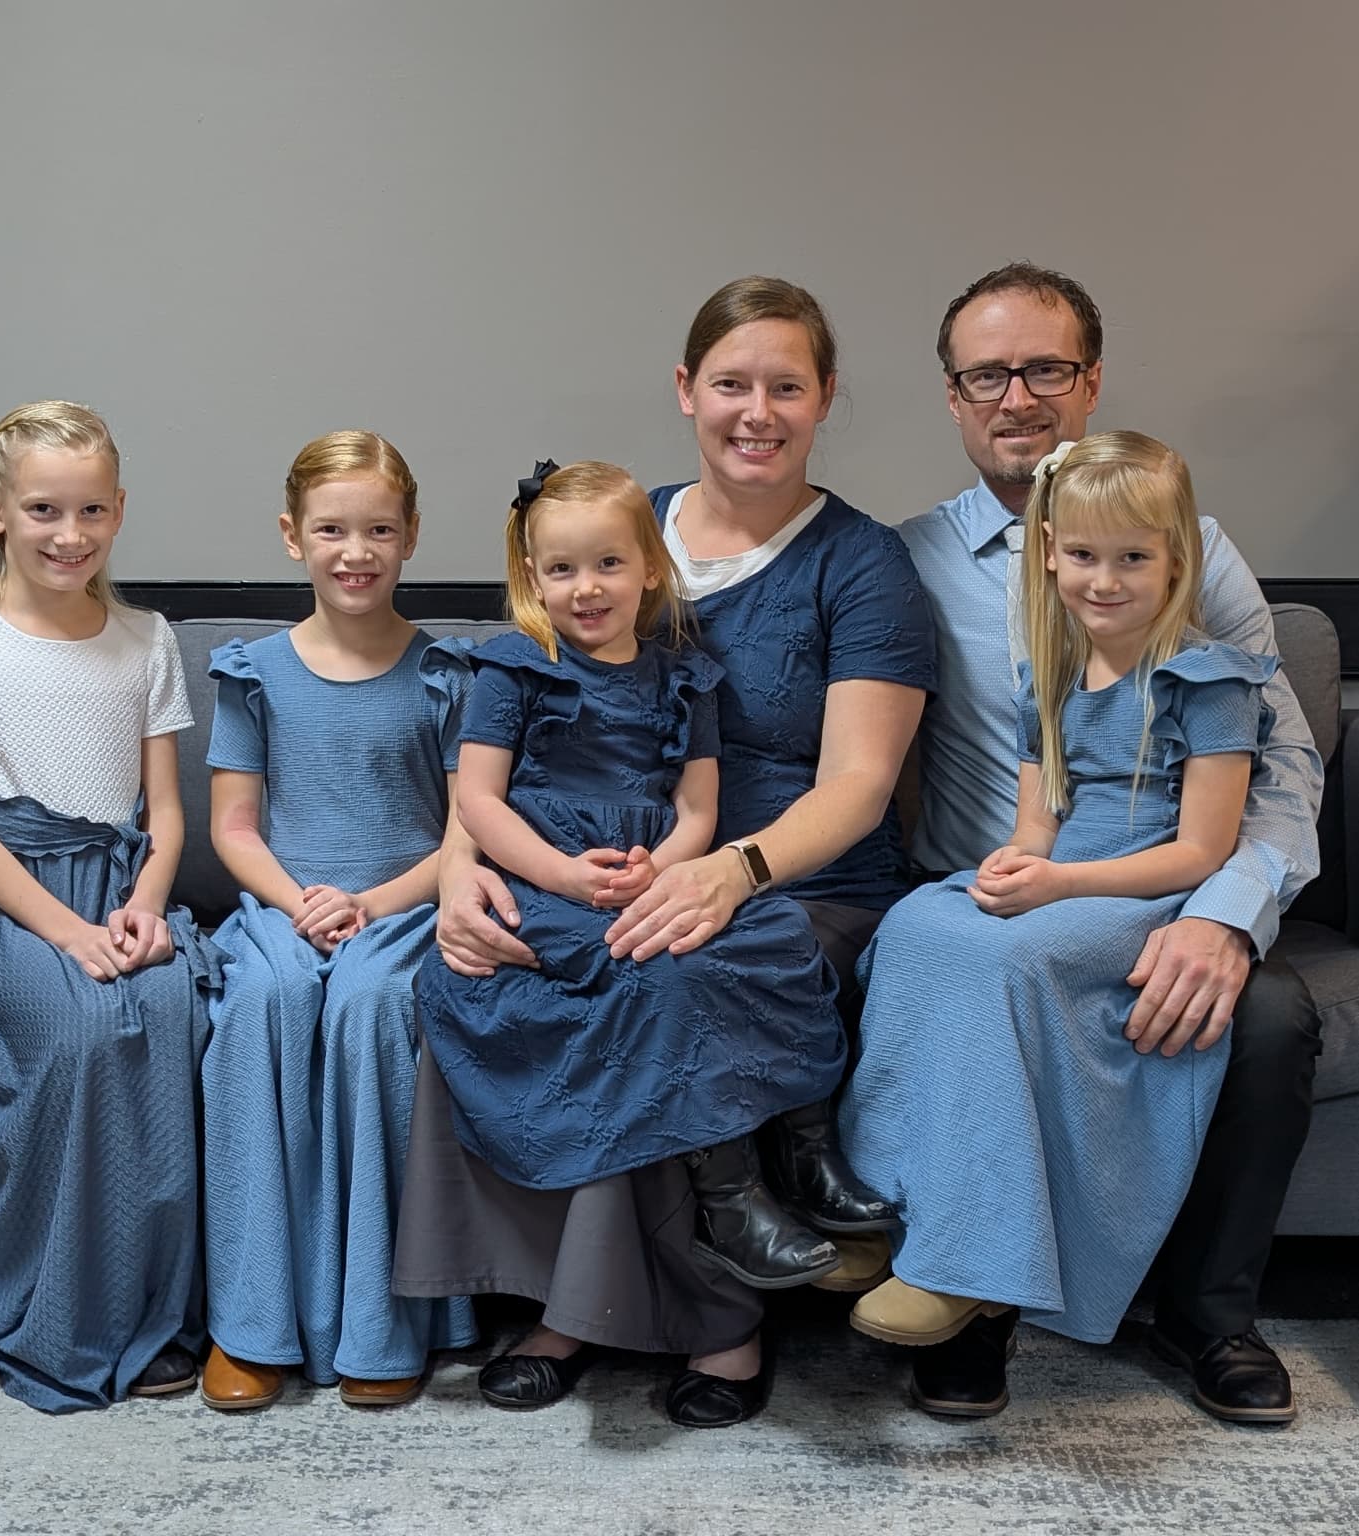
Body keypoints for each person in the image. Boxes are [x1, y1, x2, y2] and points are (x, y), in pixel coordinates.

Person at [396, 277, 935, 1429]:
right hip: (598, 866)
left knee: (659, 972)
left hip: (796, 881)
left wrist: (728, 870)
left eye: (785, 387)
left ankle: (714, 1323)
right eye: (731, 383)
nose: (757, 412)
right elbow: (508, 728)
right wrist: (459, 872)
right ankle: (566, 1303)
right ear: (686, 390)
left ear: (824, 397)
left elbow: (857, 784)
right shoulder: (611, 529)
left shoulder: (862, 564)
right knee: (514, 967)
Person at [895, 264, 1322, 1423]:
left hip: (1160, 877)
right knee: (932, 958)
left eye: (1045, 369)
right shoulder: (904, 559)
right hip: (994, 878)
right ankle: (963, 1291)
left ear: (1088, 384)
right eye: (986, 374)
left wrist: (1223, 916)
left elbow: (1278, 759)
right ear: (951, 396)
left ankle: (1204, 1315)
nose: (1016, 396)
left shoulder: (1189, 546)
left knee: (1265, 1015)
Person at [842, 430, 1280, 1396]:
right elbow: (1036, 824)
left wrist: (1057, 888)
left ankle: (966, 1264)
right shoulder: (1049, 672)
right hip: (1069, 874)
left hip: (1147, 891)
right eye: (1082, 555)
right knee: (912, 929)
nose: (1105, 580)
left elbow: (1200, 852)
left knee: (1007, 960)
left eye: (1132, 558)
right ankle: (886, 1212)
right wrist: (1016, 867)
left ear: (1177, 559)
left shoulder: (1208, 680)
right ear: (1048, 554)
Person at [416, 459, 881, 1302]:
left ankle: (807, 1152)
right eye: (562, 569)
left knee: (776, 940)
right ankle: (729, 1199)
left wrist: (662, 868)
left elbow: (697, 806)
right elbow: (478, 802)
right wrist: (561, 872)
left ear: (650, 569)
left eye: (608, 563)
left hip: (654, 870)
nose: (587, 588)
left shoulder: (683, 676)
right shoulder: (514, 668)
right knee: (660, 972)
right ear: (532, 578)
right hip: (546, 879)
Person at [0, 401, 218, 1412]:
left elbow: (164, 814)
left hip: (117, 889)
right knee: (84, 1029)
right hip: (1, 905)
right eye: (43, 510)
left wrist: (145, 907)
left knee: (170, 1009)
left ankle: (152, 1311)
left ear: (119, 510)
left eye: (91, 511)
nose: (70, 534)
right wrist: (67, 933)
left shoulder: (146, 638)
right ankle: (62, 1311)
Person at [198, 431, 477, 1411]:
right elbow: (233, 826)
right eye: (330, 531)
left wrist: (371, 903)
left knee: (369, 1010)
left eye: (378, 531)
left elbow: (466, 834)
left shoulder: (447, 674)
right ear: (292, 536)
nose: (355, 552)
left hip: (403, 910)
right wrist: (299, 903)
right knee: (262, 1004)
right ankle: (250, 1324)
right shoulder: (254, 672)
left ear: (410, 536)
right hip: (284, 906)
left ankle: (382, 1322)